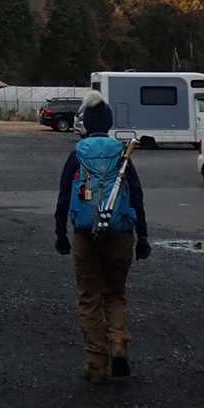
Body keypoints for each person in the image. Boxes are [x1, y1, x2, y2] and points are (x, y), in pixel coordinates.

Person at [54, 89, 151, 382]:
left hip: (86, 235)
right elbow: (136, 196)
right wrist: (143, 237)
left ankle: (96, 365)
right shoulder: (122, 153)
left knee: (89, 297)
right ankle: (118, 342)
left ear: (86, 123)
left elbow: (63, 197)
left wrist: (61, 233)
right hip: (120, 233)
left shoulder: (77, 154)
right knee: (115, 292)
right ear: (108, 123)